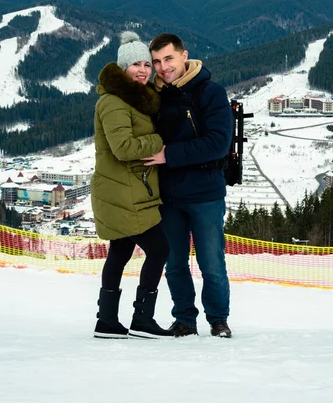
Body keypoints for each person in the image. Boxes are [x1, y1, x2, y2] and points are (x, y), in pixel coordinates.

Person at [143, 33, 233, 338]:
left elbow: (218, 143)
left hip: (205, 193)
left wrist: (169, 154)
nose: (163, 67)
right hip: (168, 196)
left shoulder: (210, 92)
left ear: (184, 56)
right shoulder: (154, 98)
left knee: (211, 262)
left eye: (169, 58)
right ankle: (184, 319)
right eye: (156, 61)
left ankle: (218, 319)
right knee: (175, 263)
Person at [91, 31, 173, 339]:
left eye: (146, 64)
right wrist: (159, 140)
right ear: (122, 68)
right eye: (135, 65)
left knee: (120, 252)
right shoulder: (113, 102)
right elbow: (123, 148)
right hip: (123, 193)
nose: (142, 70)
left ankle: (107, 321)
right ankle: (141, 318)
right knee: (159, 249)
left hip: (125, 191)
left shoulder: (134, 100)